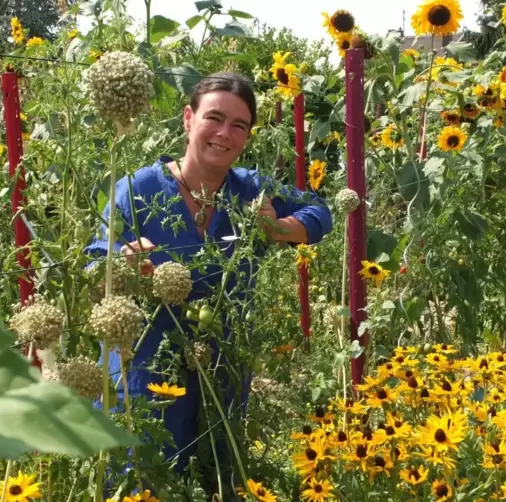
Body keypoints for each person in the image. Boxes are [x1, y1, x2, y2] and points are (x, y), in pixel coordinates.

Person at [85, 71, 333, 487]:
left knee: (216, 477)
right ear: (188, 118)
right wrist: (122, 260)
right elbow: (94, 264)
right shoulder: (137, 188)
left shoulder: (250, 189)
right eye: (214, 118)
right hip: (145, 370)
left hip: (224, 372)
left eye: (239, 126)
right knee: (141, 479)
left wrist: (279, 229)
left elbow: (320, 211)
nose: (225, 134)